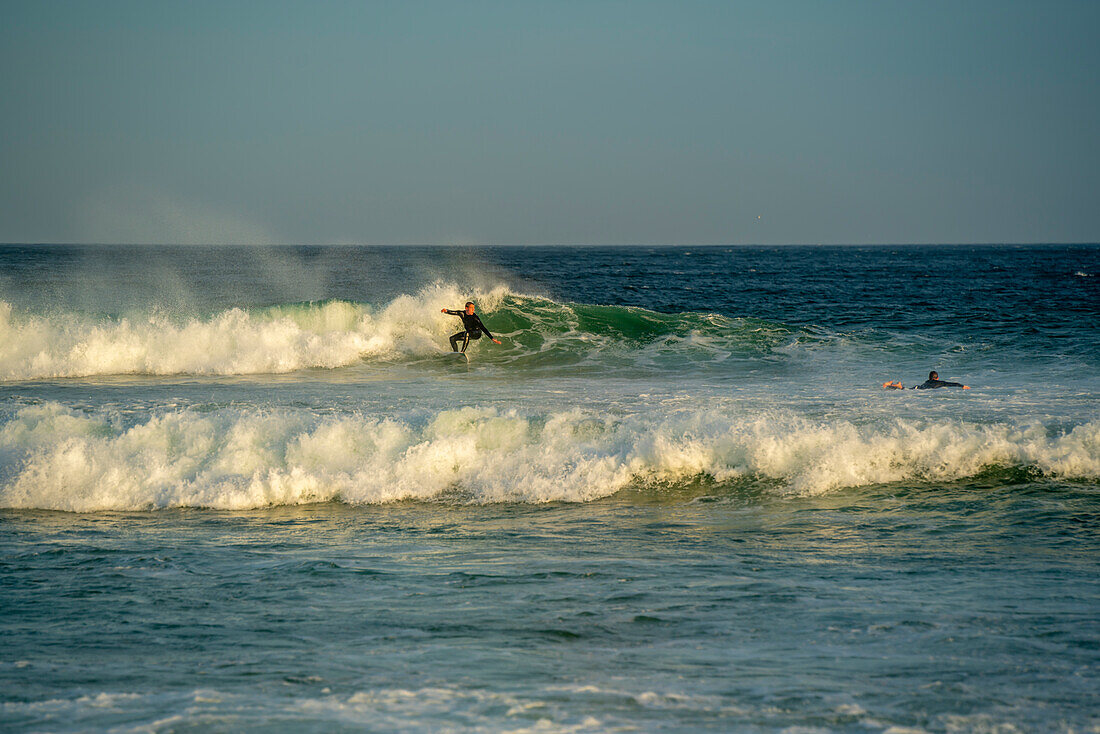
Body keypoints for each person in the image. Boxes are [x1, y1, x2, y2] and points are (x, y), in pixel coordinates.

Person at [883, 371, 969, 390]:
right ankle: (896, 385)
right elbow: (952, 384)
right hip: (922, 390)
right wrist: (962, 386)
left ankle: (891, 385)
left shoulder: (927, 381)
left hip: (918, 387)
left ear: (929, 378)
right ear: (937, 378)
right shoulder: (941, 383)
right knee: (905, 390)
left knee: (906, 389)